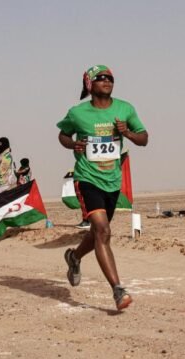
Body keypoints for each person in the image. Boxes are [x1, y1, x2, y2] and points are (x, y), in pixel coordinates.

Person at [57, 64, 148, 310]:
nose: (107, 81)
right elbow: (63, 134)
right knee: (103, 230)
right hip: (87, 178)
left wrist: (126, 132)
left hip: (112, 181)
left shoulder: (125, 109)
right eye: (101, 78)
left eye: (110, 78)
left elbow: (144, 138)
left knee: (98, 234)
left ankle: (74, 257)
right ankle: (118, 290)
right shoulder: (77, 113)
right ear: (90, 84)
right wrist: (73, 144)